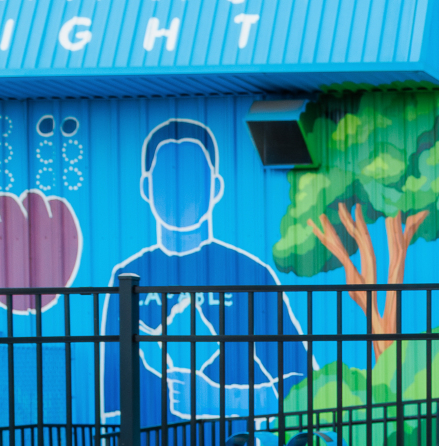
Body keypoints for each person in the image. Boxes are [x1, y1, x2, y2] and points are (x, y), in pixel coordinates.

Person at [100, 117, 310, 429]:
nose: (179, 190)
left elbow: (303, 386)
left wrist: (219, 399)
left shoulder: (251, 275)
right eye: (166, 176)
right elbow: (113, 405)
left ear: (216, 187)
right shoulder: (127, 277)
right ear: (146, 188)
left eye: (194, 177)